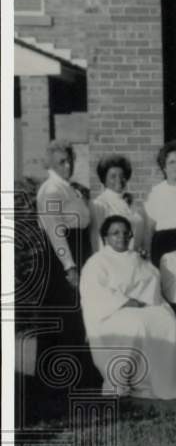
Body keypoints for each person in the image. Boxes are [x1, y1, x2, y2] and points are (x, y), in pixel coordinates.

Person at [80, 216, 176, 400]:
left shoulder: (136, 256)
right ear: (105, 236)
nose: (121, 237)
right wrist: (125, 302)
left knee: (167, 321)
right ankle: (121, 382)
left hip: (143, 306)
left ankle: (156, 382)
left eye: (125, 233)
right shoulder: (98, 261)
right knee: (137, 324)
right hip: (112, 312)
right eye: (115, 233)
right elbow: (95, 293)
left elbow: (152, 279)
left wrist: (145, 264)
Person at [34, 141, 94, 383]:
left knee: (77, 312)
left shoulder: (71, 190)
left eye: (70, 161)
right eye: (62, 161)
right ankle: (57, 375)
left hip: (79, 249)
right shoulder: (51, 190)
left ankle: (76, 371)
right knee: (64, 313)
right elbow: (55, 230)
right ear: (50, 164)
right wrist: (69, 265)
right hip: (62, 256)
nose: (68, 165)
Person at [90, 154, 146, 256]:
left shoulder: (128, 204)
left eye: (122, 176)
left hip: (133, 257)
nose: (119, 180)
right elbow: (97, 240)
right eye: (113, 176)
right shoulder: (100, 204)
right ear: (104, 180)